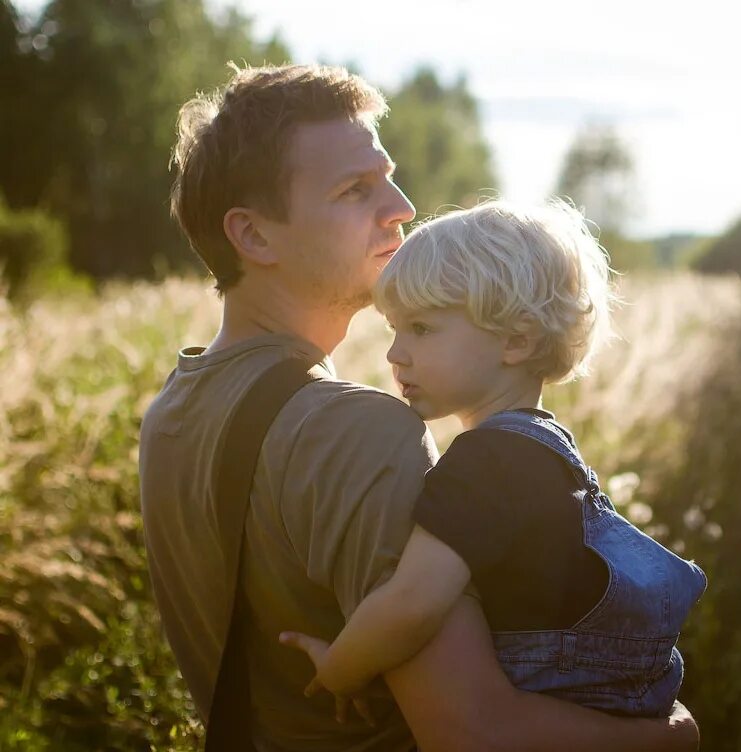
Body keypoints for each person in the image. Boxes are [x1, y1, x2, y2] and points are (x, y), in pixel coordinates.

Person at [139, 63, 699, 751]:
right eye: (355, 190)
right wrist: (672, 737)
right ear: (253, 237)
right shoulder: (356, 431)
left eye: (389, 176)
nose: (401, 206)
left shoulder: (173, 407)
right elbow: (473, 731)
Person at [279, 199, 707, 719]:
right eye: (395, 329)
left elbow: (413, 603)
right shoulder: (545, 449)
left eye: (422, 329)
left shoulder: (488, 462)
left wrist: (339, 668)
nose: (395, 353)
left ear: (516, 340)